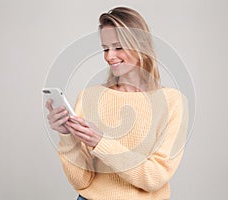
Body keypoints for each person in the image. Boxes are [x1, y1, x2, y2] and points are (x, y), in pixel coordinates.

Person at [45, 6, 189, 200]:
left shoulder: (173, 102)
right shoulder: (89, 97)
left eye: (118, 47)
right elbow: (81, 182)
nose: (109, 56)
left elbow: (155, 177)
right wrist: (67, 136)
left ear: (140, 46)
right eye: (105, 48)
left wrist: (101, 143)